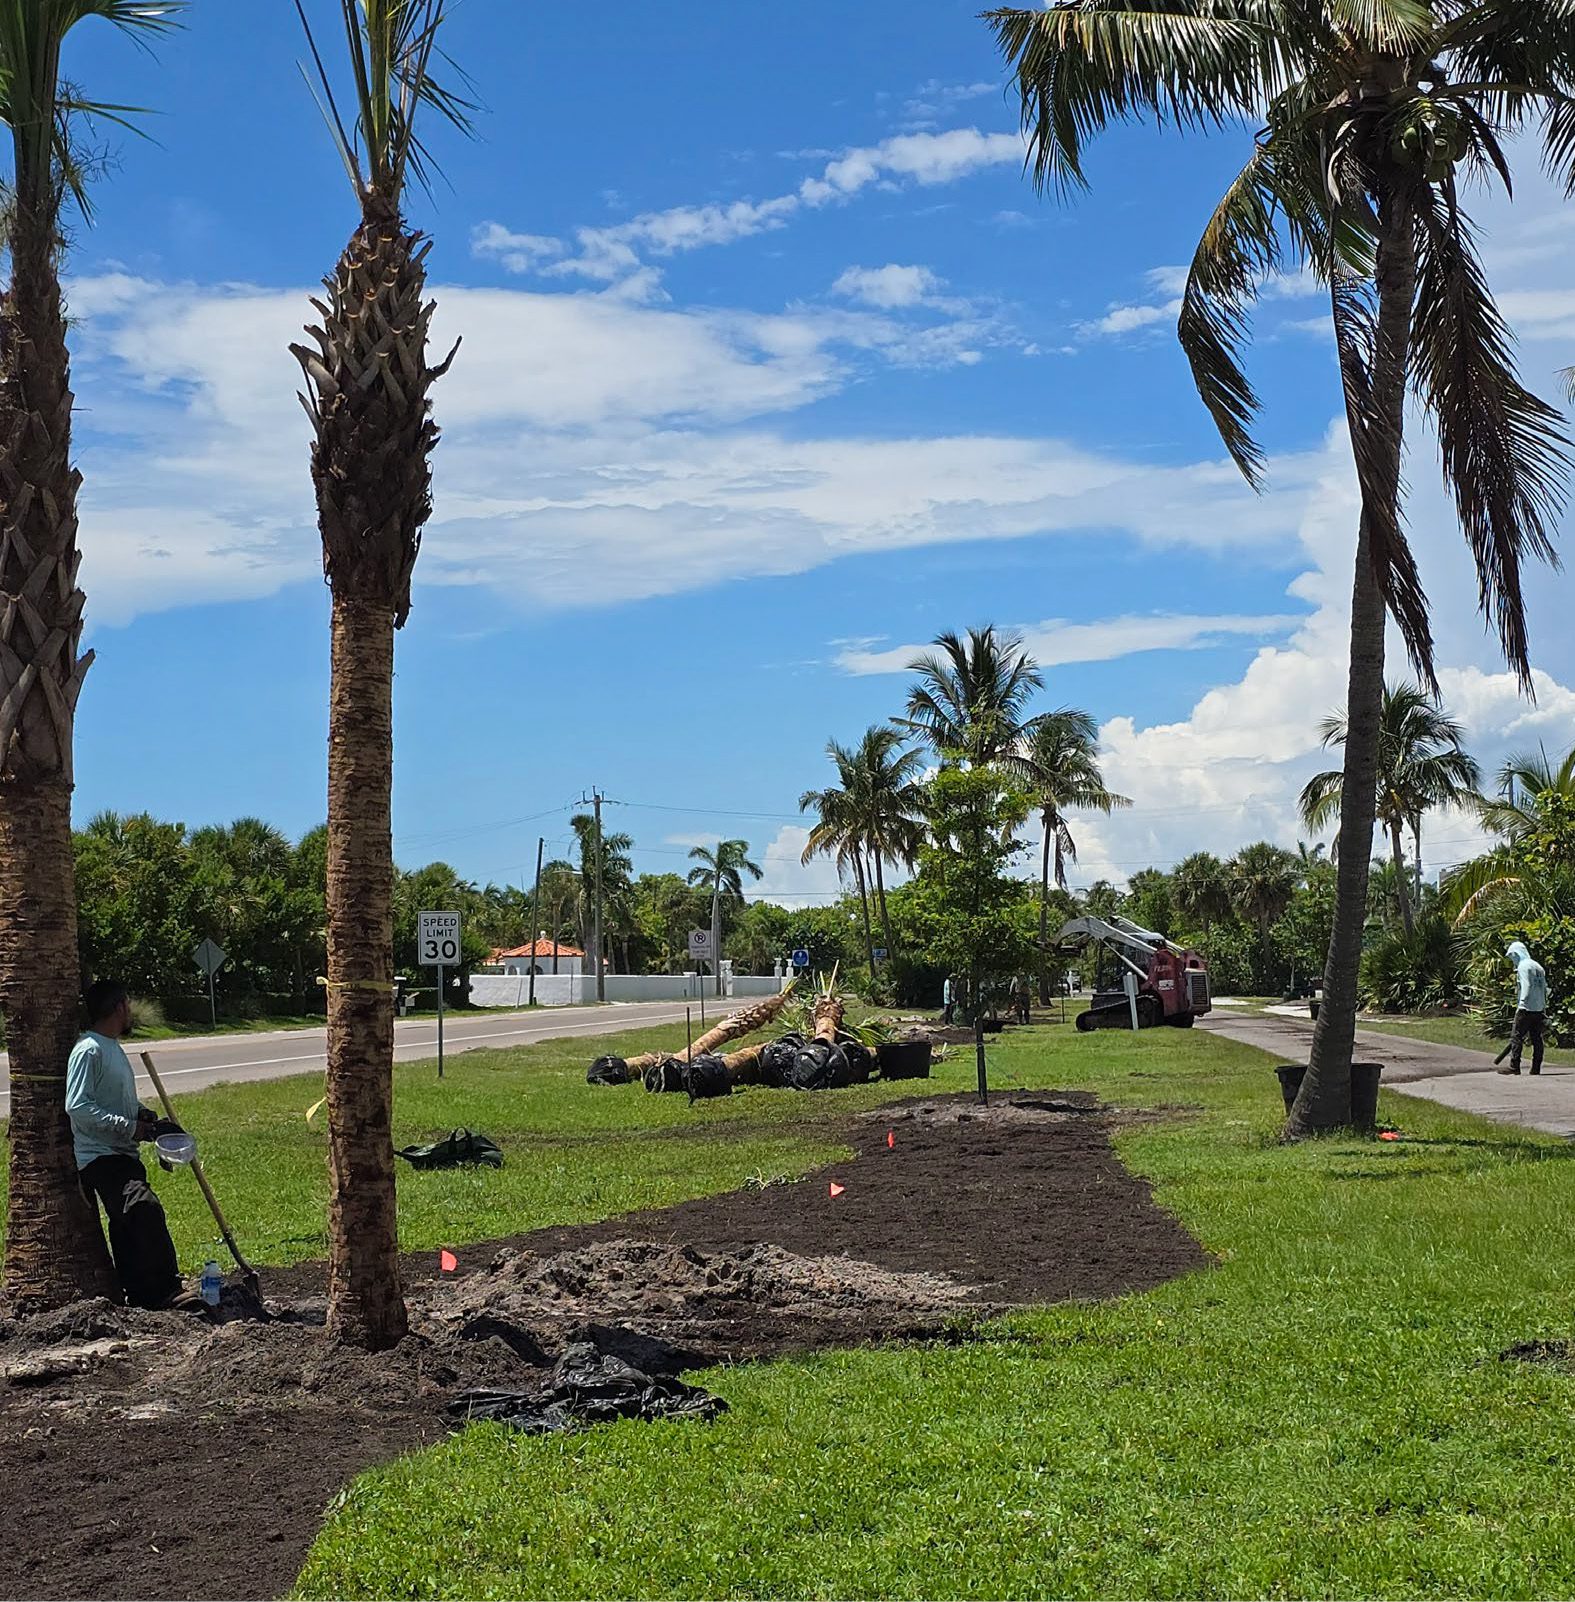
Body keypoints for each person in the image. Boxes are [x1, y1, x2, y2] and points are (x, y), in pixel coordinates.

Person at [66, 980, 193, 1310]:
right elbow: (78, 1106)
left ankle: (138, 1295)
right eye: (128, 1005)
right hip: (100, 1156)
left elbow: (116, 1101)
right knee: (143, 1209)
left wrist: (146, 1118)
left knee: (126, 1225)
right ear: (120, 1006)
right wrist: (131, 1128)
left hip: (121, 1152)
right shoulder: (89, 1049)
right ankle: (165, 1289)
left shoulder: (111, 1047)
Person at [1498, 941, 1549, 1077]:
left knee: (1516, 1037)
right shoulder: (1538, 966)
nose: (1512, 960)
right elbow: (1544, 988)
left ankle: (1514, 1066)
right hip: (1538, 1009)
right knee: (1537, 1038)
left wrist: (1522, 1003)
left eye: (1512, 956)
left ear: (1516, 954)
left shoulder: (1523, 966)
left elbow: (1526, 986)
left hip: (1525, 1008)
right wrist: (1543, 1006)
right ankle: (1536, 1068)